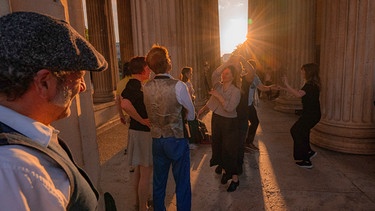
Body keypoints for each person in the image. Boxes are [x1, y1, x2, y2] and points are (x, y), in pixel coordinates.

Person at [0, 12, 108, 210]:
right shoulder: (15, 169)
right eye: (79, 77)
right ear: (44, 83)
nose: (83, 87)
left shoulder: (25, 144)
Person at [143, 45, 195, 211]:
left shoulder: (146, 86)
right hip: (176, 138)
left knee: (158, 182)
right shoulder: (179, 85)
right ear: (167, 63)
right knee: (182, 183)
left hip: (157, 139)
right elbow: (192, 115)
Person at [198, 54, 248, 192]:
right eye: (224, 73)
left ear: (233, 76)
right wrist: (228, 63)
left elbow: (229, 107)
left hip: (229, 122)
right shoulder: (218, 86)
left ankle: (235, 179)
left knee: (230, 150)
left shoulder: (236, 91)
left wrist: (218, 96)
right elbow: (215, 73)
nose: (224, 75)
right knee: (218, 147)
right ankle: (225, 172)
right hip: (217, 120)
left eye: (227, 74)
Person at [121, 56, 153, 211]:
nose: (149, 70)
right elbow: (124, 103)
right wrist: (142, 120)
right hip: (142, 133)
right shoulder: (134, 85)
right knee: (145, 173)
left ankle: (138, 202)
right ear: (142, 70)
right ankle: (143, 206)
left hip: (137, 132)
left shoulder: (134, 84)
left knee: (139, 172)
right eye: (147, 68)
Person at [279, 63, 321, 169]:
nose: (301, 73)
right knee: (303, 132)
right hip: (312, 114)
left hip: (310, 115)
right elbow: (299, 93)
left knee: (295, 131)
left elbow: (298, 94)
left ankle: (306, 160)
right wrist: (284, 88)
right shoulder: (312, 84)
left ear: (309, 72)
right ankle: (309, 151)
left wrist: (286, 84)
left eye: (303, 71)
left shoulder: (310, 85)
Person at [244, 59, 278, 152]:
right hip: (242, 106)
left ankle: (248, 142)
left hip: (249, 104)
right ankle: (243, 145)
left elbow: (262, 88)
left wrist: (271, 87)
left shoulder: (255, 77)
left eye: (253, 68)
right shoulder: (241, 76)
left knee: (254, 122)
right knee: (243, 125)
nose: (252, 70)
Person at [180, 66, 199, 149]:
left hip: (187, 105)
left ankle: (190, 141)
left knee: (189, 123)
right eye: (190, 73)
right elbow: (189, 96)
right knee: (192, 123)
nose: (191, 74)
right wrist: (193, 97)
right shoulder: (186, 84)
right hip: (189, 105)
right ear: (186, 74)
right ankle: (191, 141)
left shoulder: (184, 83)